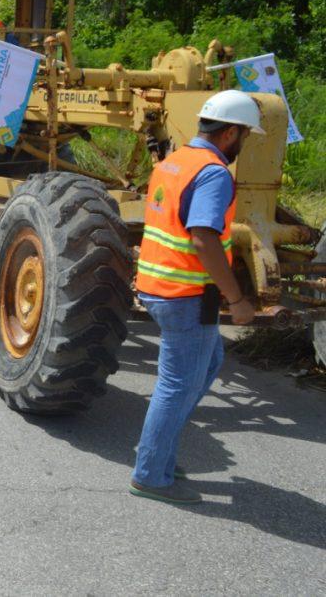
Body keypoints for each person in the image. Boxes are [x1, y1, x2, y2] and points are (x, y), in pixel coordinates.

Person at [130, 90, 260, 504]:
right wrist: (237, 298)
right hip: (185, 293)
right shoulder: (213, 172)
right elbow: (204, 238)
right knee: (178, 385)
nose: (244, 144)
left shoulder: (173, 162)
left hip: (158, 286)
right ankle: (151, 473)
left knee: (208, 365)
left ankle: (159, 450)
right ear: (231, 133)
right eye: (245, 136)